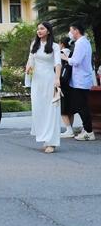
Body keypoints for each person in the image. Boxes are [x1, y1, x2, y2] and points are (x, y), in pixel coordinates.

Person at [25, 22, 61, 153]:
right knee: (39, 109)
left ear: (48, 31)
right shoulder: (34, 44)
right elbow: (31, 59)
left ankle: (52, 142)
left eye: (42, 29)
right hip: (37, 81)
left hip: (49, 80)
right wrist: (28, 68)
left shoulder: (55, 46)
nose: (39, 31)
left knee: (51, 109)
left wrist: (57, 78)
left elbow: (58, 63)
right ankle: (45, 138)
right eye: (38, 29)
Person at [61, 22, 96, 141]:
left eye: (71, 30)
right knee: (82, 106)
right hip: (82, 80)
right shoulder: (84, 42)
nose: (69, 33)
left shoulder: (81, 43)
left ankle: (89, 132)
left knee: (82, 107)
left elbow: (76, 61)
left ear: (76, 30)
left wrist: (65, 58)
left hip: (81, 81)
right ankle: (86, 129)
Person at [58, 37, 75, 138]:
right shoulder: (72, 53)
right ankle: (70, 129)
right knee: (70, 108)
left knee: (63, 109)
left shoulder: (60, 53)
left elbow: (57, 67)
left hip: (63, 83)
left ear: (62, 44)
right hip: (72, 83)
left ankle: (69, 130)